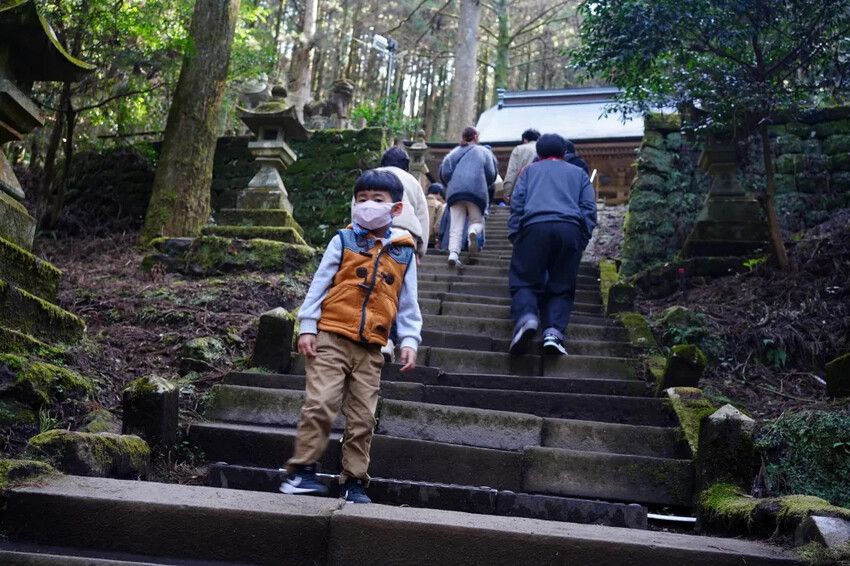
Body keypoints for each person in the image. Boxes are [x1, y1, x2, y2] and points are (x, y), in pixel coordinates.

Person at [281, 169, 422, 504]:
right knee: (322, 403)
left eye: (378, 200)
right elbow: (319, 284)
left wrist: (409, 341)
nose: (368, 206)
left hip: (371, 348)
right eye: (361, 200)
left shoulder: (404, 253)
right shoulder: (342, 240)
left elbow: (408, 302)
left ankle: (354, 481)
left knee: (363, 418)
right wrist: (308, 326)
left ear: (396, 209)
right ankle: (301, 470)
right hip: (330, 337)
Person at [507, 133, 597, 356]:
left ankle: (527, 317)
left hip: (534, 227)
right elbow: (588, 207)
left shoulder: (529, 171)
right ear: (564, 153)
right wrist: (581, 237)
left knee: (525, 280)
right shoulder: (578, 173)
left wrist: (516, 235)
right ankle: (553, 332)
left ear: (538, 153)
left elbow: (517, 204)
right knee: (562, 283)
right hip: (569, 229)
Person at [438, 126, 496, 266]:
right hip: (476, 191)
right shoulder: (484, 152)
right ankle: (473, 232)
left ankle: (453, 254)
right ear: (476, 137)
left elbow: (444, 172)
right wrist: (483, 182)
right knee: (476, 220)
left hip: (455, 192)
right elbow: (491, 174)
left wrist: (453, 183)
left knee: (456, 226)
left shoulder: (454, 153)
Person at [374, 146, 430, 260]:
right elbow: (422, 216)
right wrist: (420, 250)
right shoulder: (413, 181)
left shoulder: (371, 176)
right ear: (406, 166)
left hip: (373, 230)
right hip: (406, 232)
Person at [502, 128, 540, 204]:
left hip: (521, 190)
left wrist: (507, 193)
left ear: (525, 140)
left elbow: (512, 172)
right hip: (539, 190)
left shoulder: (519, 149)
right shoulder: (543, 148)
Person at [426, 183, 446, 247]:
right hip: (430, 240)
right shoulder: (439, 205)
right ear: (439, 193)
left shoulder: (420, 202)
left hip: (418, 238)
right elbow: (438, 225)